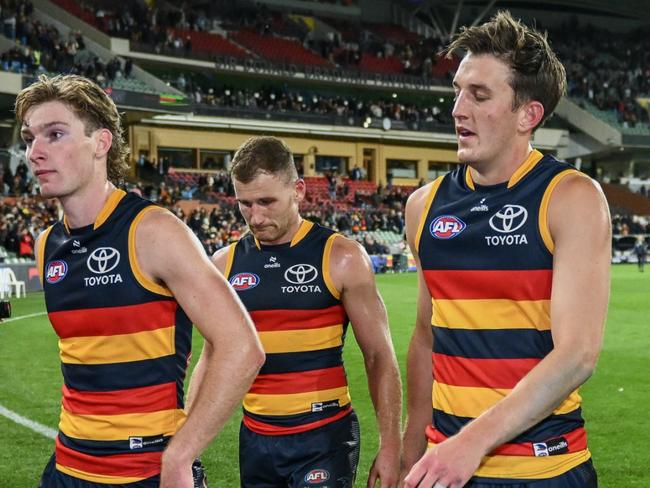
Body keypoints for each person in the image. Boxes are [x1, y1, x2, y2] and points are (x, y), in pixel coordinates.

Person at [15, 74, 265, 488]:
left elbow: (242, 347)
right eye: (29, 138)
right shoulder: (48, 244)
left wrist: (182, 456)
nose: (35, 152)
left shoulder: (153, 231)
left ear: (101, 143)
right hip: (67, 468)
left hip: (146, 473)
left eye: (54, 134)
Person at [402, 11, 611, 488]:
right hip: (444, 467)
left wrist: (471, 442)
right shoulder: (423, 206)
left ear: (528, 114)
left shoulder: (569, 197)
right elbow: (425, 335)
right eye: (457, 90)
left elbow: (577, 353)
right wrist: (413, 444)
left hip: (542, 468)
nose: (458, 108)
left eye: (479, 95)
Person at [202, 136, 402, 487]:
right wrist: (186, 441)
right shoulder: (225, 264)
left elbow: (378, 355)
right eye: (244, 204)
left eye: (266, 201)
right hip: (256, 439)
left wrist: (391, 445)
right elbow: (210, 357)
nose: (256, 216)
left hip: (324, 438)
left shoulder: (341, 257)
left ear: (298, 190)